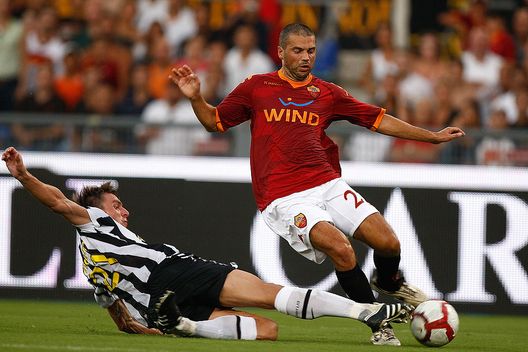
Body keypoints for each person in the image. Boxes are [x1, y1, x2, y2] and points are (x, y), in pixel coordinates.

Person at [169, 23, 466, 345]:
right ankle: (378, 324)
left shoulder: (327, 93)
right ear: (281, 52)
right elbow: (215, 122)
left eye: (310, 51)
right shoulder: (257, 87)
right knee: (341, 249)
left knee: (389, 242)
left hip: (327, 183)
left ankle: (390, 282)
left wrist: (431, 136)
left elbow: (377, 119)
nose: (306, 57)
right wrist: (196, 98)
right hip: (284, 197)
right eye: (298, 51)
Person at [1, 146, 412, 343]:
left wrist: (151, 329)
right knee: (271, 297)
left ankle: (187, 326)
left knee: (266, 332)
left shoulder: (94, 268)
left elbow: (120, 319)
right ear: (96, 209)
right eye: (117, 204)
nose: (123, 211)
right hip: (176, 270)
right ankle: (367, 312)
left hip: (157, 303)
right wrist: (23, 175)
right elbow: (57, 201)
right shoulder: (93, 219)